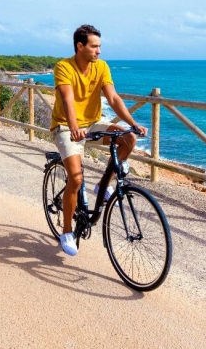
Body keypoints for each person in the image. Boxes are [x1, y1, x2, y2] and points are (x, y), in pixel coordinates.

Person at [50, 24, 148, 256]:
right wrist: (74, 127)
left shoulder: (101, 67)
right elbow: (67, 100)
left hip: (93, 124)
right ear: (80, 46)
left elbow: (113, 98)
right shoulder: (63, 67)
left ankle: (102, 185)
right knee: (75, 178)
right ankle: (66, 232)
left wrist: (132, 124)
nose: (99, 51)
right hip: (66, 126)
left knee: (127, 139)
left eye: (100, 47)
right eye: (94, 47)